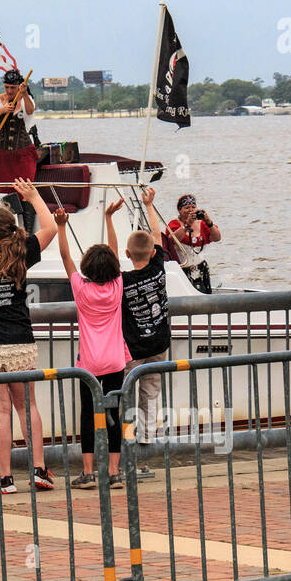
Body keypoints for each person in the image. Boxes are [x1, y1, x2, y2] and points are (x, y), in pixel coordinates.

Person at [0, 179, 59, 494]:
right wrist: (32, 197)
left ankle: (4, 477)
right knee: (26, 405)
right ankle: (40, 470)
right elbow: (51, 228)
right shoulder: (21, 251)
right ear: (11, 231)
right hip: (18, 338)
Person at [55, 208, 129, 490]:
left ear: (87, 267)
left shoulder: (81, 289)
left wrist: (62, 226)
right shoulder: (117, 286)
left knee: (88, 414)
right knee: (113, 415)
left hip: (88, 362)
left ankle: (87, 472)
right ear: (113, 269)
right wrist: (109, 219)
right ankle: (113, 472)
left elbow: (65, 257)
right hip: (115, 361)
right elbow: (114, 249)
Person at [106, 187, 172, 480]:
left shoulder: (122, 281)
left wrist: (109, 219)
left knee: (127, 398)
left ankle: (128, 449)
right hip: (159, 344)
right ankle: (144, 450)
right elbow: (156, 238)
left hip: (132, 350)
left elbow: (108, 256)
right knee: (151, 396)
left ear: (127, 254)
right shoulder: (159, 268)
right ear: (153, 254)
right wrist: (149, 206)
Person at [0, 69, 39, 226]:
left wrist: (23, 95)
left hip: (23, 154)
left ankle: (28, 231)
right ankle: (4, 228)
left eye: (12, 88)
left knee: (25, 191)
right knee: (1, 191)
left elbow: (30, 110)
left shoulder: (25, 100)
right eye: (7, 87)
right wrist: (2, 110)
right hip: (1, 155)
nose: (9, 91)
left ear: (19, 87)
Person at [165, 193, 221, 294]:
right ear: (179, 210)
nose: (190, 210)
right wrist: (187, 225)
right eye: (187, 207)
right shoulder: (174, 224)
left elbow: (217, 238)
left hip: (201, 268)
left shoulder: (202, 223)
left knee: (205, 297)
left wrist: (209, 222)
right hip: (182, 269)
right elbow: (172, 240)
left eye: (193, 207)